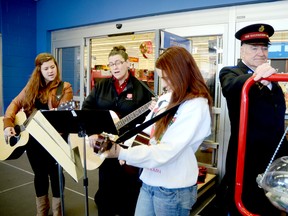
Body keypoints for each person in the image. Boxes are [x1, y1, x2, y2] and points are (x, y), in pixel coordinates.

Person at [99, 46, 213, 216]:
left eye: (167, 78)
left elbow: (166, 151)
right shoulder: (166, 97)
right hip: (149, 180)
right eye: (162, 78)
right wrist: (122, 144)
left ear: (182, 73)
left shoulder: (196, 104)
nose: (165, 84)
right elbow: (145, 130)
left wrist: (122, 153)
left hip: (173, 189)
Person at [216, 23, 288, 215]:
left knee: (271, 207)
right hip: (246, 159)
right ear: (242, 51)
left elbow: (277, 118)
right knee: (245, 205)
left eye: (264, 48)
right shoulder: (231, 73)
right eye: (254, 48)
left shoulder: (275, 81)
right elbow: (231, 87)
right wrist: (256, 78)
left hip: (274, 159)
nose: (261, 53)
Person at [82, 45, 155, 216]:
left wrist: (154, 108)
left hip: (128, 147)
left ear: (128, 63)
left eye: (118, 63)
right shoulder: (101, 86)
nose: (114, 67)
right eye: (111, 64)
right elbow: (86, 109)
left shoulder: (141, 89)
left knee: (129, 193)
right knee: (106, 190)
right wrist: (92, 132)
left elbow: (148, 121)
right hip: (104, 145)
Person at [3, 53, 73, 216]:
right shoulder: (32, 86)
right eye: (46, 68)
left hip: (55, 139)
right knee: (40, 175)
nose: (50, 71)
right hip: (33, 141)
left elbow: (63, 115)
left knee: (56, 175)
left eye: (53, 67)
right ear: (39, 70)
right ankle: (41, 211)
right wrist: (8, 123)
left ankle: (57, 211)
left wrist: (56, 115)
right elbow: (15, 103)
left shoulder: (65, 87)